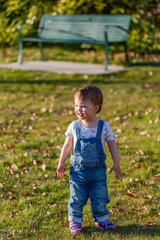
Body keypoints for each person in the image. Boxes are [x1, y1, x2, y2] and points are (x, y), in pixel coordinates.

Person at [57, 85, 123, 235]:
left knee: (100, 196)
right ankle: (75, 221)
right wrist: (61, 163)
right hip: (78, 172)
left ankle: (101, 220)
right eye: (76, 106)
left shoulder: (104, 127)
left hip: (98, 172)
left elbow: (112, 145)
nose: (78, 109)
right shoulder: (74, 126)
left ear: (96, 108)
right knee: (76, 197)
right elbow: (67, 145)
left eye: (83, 106)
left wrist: (116, 163)